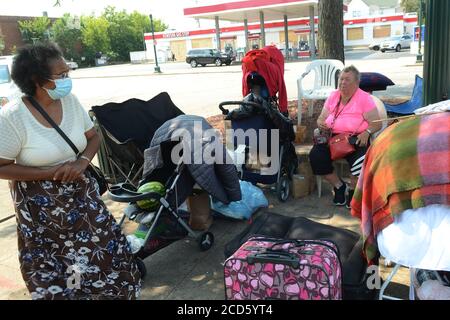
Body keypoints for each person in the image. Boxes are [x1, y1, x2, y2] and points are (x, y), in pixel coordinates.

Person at [0, 43, 141, 300]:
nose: (67, 80)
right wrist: (49, 172)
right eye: (61, 75)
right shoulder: (12, 117)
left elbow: (93, 137)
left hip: (81, 194)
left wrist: (82, 162)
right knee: (58, 268)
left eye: (68, 73)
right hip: (41, 211)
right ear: (37, 79)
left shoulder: (70, 101)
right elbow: (2, 167)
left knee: (105, 254)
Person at [309, 65, 382, 208]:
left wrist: (367, 133)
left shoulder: (364, 98)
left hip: (355, 138)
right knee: (315, 157)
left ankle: (353, 190)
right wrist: (321, 123)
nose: (343, 82)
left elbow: (377, 123)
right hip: (333, 137)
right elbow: (321, 118)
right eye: (341, 79)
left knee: (360, 162)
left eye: (347, 80)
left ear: (356, 83)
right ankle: (339, 186)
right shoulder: (333, 96)